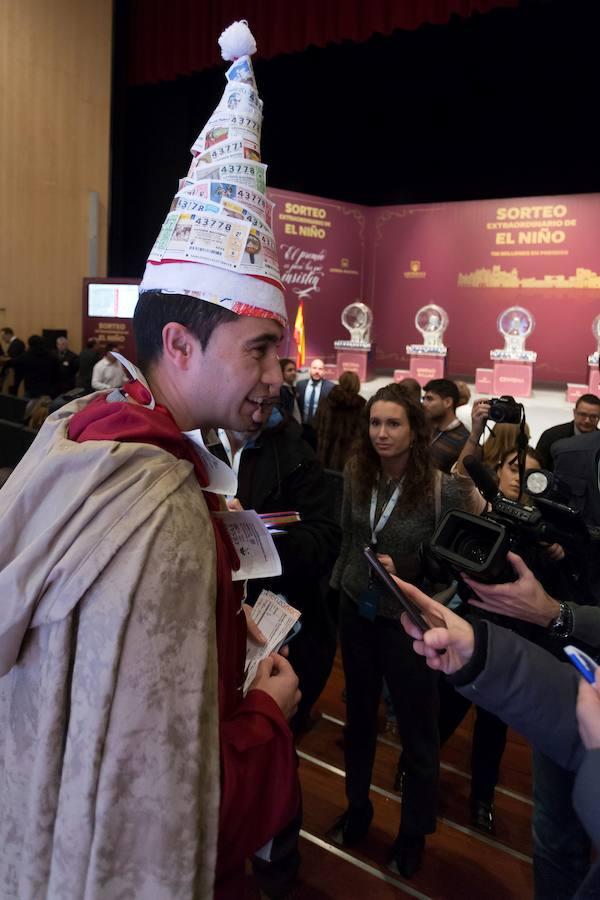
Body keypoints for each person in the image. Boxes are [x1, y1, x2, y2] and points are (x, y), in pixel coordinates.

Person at [0, 20, 300, 899]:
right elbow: (165, 801)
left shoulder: (82, 428)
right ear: (179, 341)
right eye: (260, 349)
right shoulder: (159, 502)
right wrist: (266, 716)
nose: (282, 374)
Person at [328, 383, 481, 878]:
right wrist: (341, 595)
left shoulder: (443, 487)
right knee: (359, 723)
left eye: (393, 424)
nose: (381, 433)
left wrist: (408, 564)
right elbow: (350, 540)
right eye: (375, 423)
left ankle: (413, 832)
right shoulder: (357, 472)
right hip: (358, 611)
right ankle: (357, 808)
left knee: (418, 733)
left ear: (416, 431)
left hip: (411, 623)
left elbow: (456, 560)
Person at [397, 583, 600, 900]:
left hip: (534, 638)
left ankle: (482, 798)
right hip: (513, 647)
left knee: (490, 734)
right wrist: (482, 655)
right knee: (552, 842)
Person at [315, 370, 366, 472]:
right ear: (357, 385)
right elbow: (363, 436)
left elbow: (315, 426)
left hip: (323, 458)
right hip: (348, 462)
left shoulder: (325, 402)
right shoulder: (362, 407)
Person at [536, 393, 600, 470]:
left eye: (593, 416)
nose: (587, 420)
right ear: (574, 412)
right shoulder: (551, 436)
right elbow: (537, 469)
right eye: (583, 414)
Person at [422, 378, 469, 473]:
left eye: (430, 399)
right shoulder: (426, 428)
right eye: (424, 399)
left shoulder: (464, 440)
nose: (424, 404)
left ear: (447, 402)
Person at [8, 334, 61, 399]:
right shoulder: (52, 356)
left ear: (29, 344)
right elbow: (58, 373)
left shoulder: (25, 356)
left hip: (31, 390)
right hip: (48, 390)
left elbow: (14, 363)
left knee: (29, 408)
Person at [296, 358, 334, 426]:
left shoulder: (330, 387)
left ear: (324, 372)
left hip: (320, 428)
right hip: (301, 426)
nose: (317, 371)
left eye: (320, 369)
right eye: (314, 368)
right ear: (310, 369)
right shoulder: (300, 385)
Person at [0, 327, 25, 394]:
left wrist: (4, 359)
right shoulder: (16, 343)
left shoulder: (17, 343)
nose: (2, 339)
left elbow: (14, 358)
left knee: (12, 392)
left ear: (9, 334)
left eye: (3, 336)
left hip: (14, 372)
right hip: (12, 373)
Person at [278, 357, 301, 423]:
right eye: (289, 370)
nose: (293, 373)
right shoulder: (281, 390)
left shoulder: (292, 389)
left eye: (294, 370)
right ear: (282, 372)